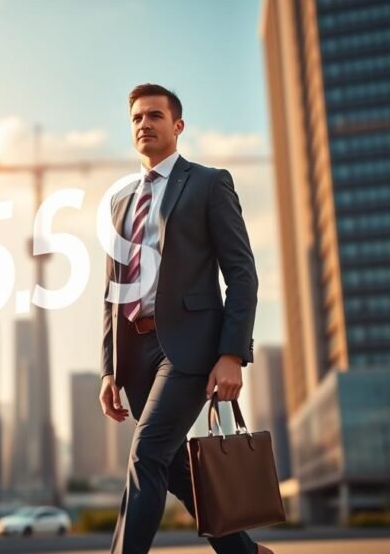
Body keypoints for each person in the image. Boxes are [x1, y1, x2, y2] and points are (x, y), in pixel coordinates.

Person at [99, 84, 271, 554]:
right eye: (137, 118)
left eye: (155, 115)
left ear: (177, 126)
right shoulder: (119, 202)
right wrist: (110, 369)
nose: (144, 124)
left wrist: (231, 354)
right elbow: (112, 291)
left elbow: (242, 273)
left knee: (146, 454)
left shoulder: (209, 183)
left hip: (189, 348)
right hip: (137, 353)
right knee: (174, 467)